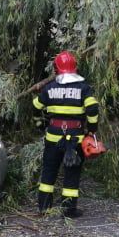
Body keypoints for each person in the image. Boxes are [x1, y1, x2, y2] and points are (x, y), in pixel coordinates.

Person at [32, 51, 99, 217]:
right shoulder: (84, 88)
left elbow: (35, 106)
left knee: (48, 171)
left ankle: (44, 207)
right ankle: (68, 210)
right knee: (72, 173)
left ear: (56, 69)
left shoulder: (49, 88)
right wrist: (92, 130)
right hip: (75, 139)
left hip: (53, 137)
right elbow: (92, 109)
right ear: (74, 68)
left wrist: (40, 125)